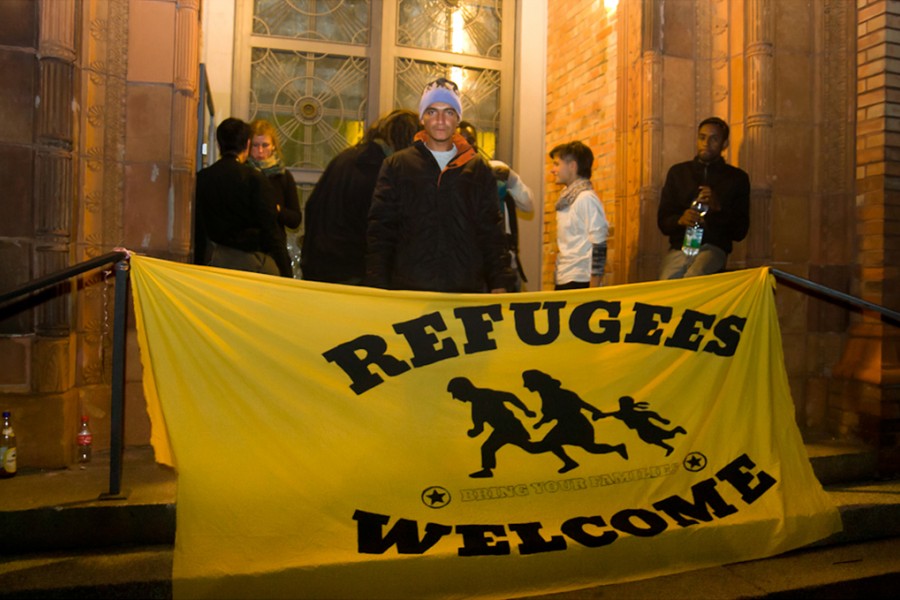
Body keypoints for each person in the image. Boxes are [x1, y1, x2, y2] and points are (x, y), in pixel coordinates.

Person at [365, 78, 514, 293]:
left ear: (457, 120)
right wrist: (377, 284)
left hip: (465, 291)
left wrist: (500, 281)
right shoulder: (397, 165)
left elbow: (491, 230)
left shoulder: (478, 168)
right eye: (433, 111)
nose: (441, 120)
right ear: (423, 118)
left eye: (449, 112)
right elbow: (381, 230)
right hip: (411, 291)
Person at [301, 109, 420, 284]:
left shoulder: (347, 158)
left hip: (320, 266)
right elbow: (380, 229)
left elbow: (312, 206)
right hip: (351, 271)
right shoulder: (379, 170)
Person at [194, 118, 291, 277]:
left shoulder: (203, 178)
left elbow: (198, 228)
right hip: (249, 266)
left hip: (213, 263)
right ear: (247, 144)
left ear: (219, 145)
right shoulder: (255, 179)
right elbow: (270, 230)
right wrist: (287, 273)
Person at [657, 117, 750, 279]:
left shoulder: (736, 178)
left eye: (714, 138)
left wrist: (718, 208)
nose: (706, 143)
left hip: (713, 248)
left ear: (724, 144)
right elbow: (663, 220)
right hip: (680, 247)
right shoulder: (678, 173)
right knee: (666, 285)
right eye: (702, 137)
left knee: (694, 278)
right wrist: (680, 220)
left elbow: (740, 231)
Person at [458, 121, 534, 291]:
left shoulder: (496, 169)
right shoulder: (447, 177)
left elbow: (528, 204)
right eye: (460, 140)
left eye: (469, 140)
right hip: (468, 265)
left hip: (501, 261)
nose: (465, 144)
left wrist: (511, 179)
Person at [448, 377, 537, 478]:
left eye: (455, 393)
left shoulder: (486, 394)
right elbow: (479, 427)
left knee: (531, 448)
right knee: (487, 448)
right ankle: (487, 470)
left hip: (511, 426)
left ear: (463, 390)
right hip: (501, 430)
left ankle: (552, 444)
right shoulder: (476, 406)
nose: (455, 397)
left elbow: (509, 397)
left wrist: (526, 410)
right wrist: (473, 432)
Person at [548, 141, 609, 290]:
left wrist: (594, 284)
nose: (552, 170)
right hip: (565, 277)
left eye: (557, 164)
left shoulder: (586, 198)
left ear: (572, 166)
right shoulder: (566, 200)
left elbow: (599, 242)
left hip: (580, 279)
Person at [248, 119, 302, 277]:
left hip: (274, 248)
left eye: (264, 145)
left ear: (273, 146)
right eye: (255, 146)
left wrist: (277, 210)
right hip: (247, 249)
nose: (260, 151)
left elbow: (295, 219)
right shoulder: (243, 174)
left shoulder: (282, 176)